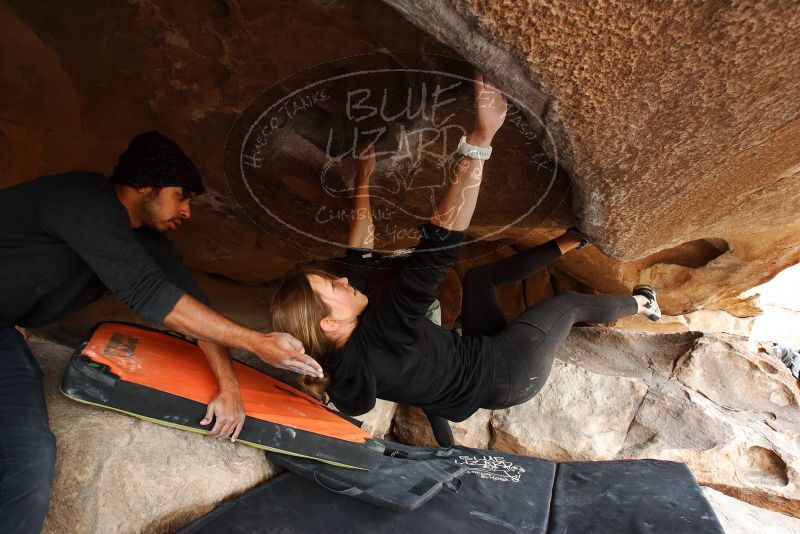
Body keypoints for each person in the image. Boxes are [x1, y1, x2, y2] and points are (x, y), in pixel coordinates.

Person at [270, 72, 661, 447]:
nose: (341, 281)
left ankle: (571, 240)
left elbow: (358, 254)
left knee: (479, 281)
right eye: (331, 286)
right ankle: (645, 304)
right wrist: (480, 141)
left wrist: (363, 180)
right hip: (510, 371)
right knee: (568, 304)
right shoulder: (383, 330)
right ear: (328, 321)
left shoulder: (339, 354)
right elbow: (438, 248)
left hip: (476, 363)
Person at [0, 131, 323, 533]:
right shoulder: (80, 199)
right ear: (145, 184)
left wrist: (230, 388)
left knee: (27, 454)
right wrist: (256, 342)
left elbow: (197, 313)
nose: (187, 211)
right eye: (182, 195)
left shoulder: (150, 244)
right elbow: (147, 292)